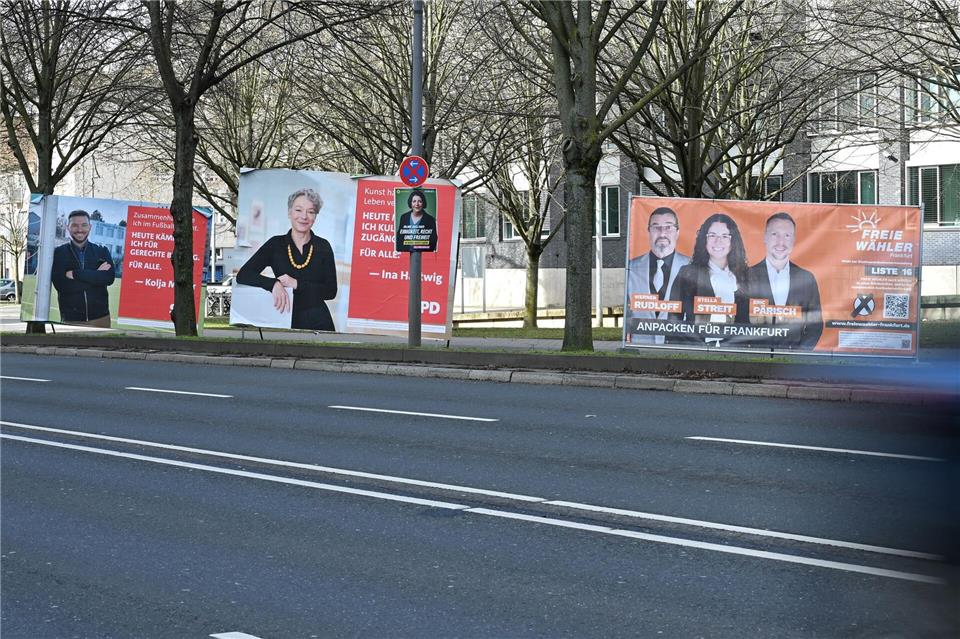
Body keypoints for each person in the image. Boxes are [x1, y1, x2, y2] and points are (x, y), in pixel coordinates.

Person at [236, 188, 338, 331]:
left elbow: (331, 291)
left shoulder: (323, 246)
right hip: (284, 319)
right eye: (298, 210)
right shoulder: (275, 244)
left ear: (315, 216)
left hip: (319, 322)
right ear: (289, 213)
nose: (304, 216)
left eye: (310, 211)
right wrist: (273, 284)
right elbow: (243, 275)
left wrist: (296, 284)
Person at [746, 212, 823, 349]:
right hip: (755, 361)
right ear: (765, 237)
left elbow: (815, 324)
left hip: (792, 363)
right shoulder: (746, 277)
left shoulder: (806, 278)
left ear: (793, 240)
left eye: (787, 235)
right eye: (775, 234)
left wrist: (798, 356)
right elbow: (737, 322)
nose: (780, 242)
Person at [669, 213, 750, 340]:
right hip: (697, 351)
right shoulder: (687, 273)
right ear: (704, 239)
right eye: (712, 235)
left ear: (733, 241)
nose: (718, 241)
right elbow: (674, 317)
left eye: (725, 236)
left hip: (736, 352)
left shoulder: (746, 276)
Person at [625, 206, 690, 344]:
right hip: (641, 346)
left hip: (677, 346)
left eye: (668, 227)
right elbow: (627, 309)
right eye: (656, 227)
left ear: (677, 232)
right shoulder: (631, 267)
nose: (662, 233)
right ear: (648, 231)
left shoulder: (692, 267)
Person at [51, 210, 115, 327]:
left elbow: (109, 278)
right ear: (68, 227)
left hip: (101, 318)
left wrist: (76, 274)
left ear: (90, 227)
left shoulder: (102, 251)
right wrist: (96, 276)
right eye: (75, 225)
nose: (80, 229)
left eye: (84, 225)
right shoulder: (59, 253)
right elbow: (62, 286)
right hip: (71, 319)